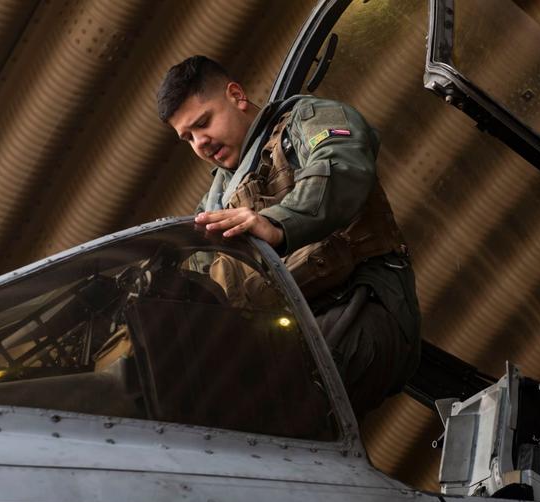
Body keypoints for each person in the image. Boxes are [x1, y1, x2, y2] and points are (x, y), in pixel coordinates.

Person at [156, 55, 420, 419]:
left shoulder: (304, 121)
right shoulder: (214, 200)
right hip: (295, 334)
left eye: (204, 123)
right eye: (188, 137)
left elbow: (341, 162)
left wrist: (277, 223)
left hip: (361, 303)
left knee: (271, 409)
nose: (200, 143)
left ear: (235, 95)